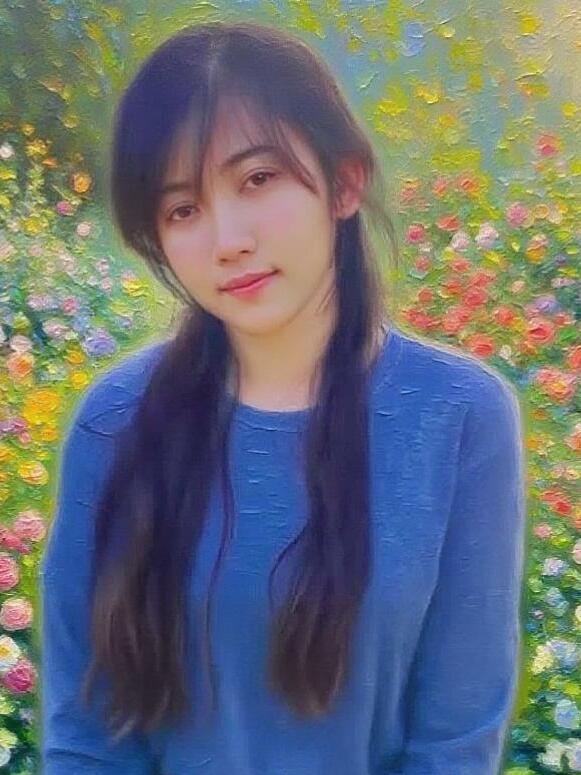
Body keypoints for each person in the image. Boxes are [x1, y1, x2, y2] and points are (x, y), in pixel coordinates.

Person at [40, 20, 526, 775]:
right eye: (182, 208)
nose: (227, 239)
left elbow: (454, 744)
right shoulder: (115, 426)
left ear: (344, 182)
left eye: (258, 179)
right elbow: (86, 741)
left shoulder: (461, 416)